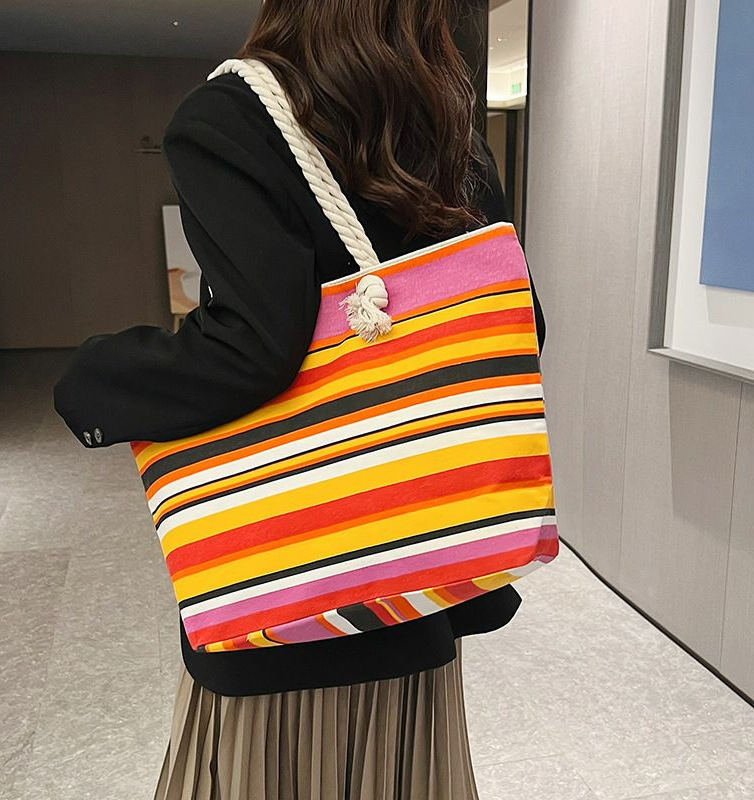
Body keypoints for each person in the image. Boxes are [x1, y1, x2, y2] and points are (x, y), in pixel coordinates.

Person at [53, 1, 546, 797]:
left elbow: (254, 348)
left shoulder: (232, 117)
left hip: (281, 597)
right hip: (421, 575)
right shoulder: (448, 129)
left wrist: (94, 379)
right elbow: (518, 327)